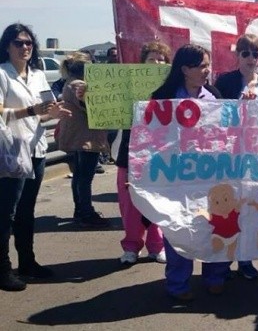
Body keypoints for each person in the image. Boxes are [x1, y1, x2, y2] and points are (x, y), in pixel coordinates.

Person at [150, 43, 227, 300]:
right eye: (202, 66)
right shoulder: (163, 97)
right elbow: (150, 139)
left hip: (209, 177)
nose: (207, 70)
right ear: (185, 69)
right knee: (178, 229)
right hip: (176, 179)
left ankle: (215, 275)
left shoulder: (214, 95)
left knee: (214, 226)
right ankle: (177, 283)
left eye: (208, 65)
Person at [0, 23, 69, 291]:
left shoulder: (39, 75)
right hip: (10, 152)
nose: (25, 47)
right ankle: (3, 269)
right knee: (6, 213)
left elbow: (45, 110)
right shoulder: (2, 74)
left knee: (27, 211)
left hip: (36, 148)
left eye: (29, 43)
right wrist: (30, 110)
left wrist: (56, 112)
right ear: (7, 46)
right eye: (18, 43)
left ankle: (27, 261)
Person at [213, 34, 258, 279]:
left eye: (256, 54)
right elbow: (214, 115)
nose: (251, 58)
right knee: (226, 209)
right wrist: (238, 105)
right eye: (246, 53)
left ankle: (245, 259)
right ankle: (223, 262)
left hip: (255, 157)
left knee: (249, 211)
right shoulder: (225, 81)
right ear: (237, 56)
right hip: (228, 155)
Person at [115, 41, 171, 265]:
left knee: (157, 202)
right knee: (129, 204)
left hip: (159, 155)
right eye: (151, 59)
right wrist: (85, 96)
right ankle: (131, 246)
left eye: (161, 60)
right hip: (129, 153)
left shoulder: (171, 90)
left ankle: (156, 246)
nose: (156, 63)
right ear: (142, 63)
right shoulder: (129, 88)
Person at [57, 52, 111, 228]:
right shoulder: (79, 85)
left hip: (78, 136)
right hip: (87, 137)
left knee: (79, 176)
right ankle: (86, 213)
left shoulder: (69, 83)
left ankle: (80, 210)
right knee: (85, 178)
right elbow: (91, 108)